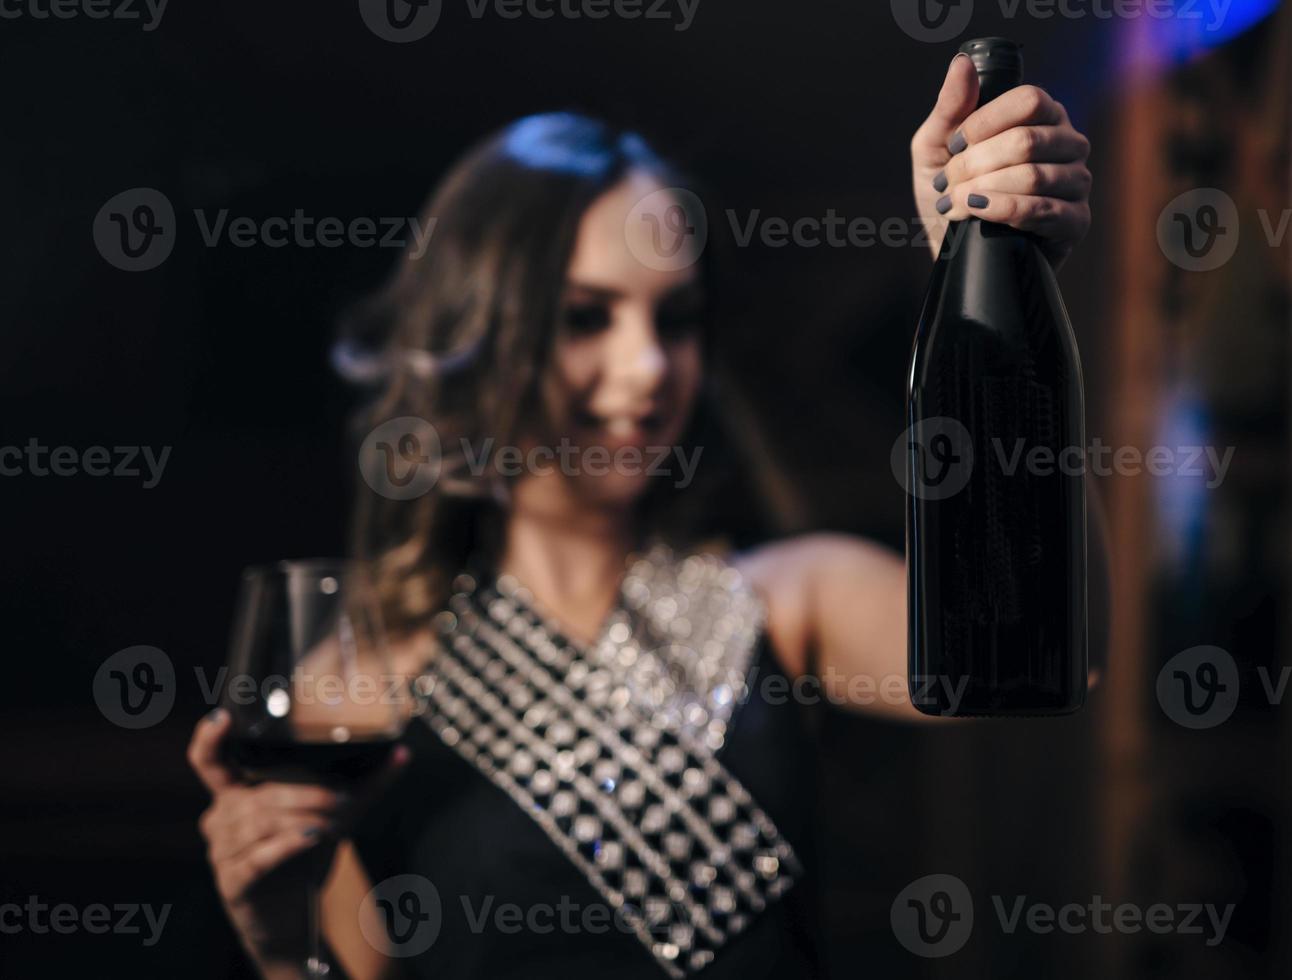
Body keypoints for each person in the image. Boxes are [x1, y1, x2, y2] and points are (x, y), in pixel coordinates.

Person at [188, 54, 1094, 979]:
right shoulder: (352, 692)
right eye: (587, 317)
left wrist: (991, 282)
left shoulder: (788, 599)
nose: (650, 366)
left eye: (676, 318)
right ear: (481, 335)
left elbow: (1047, 652)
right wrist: (277, 940)